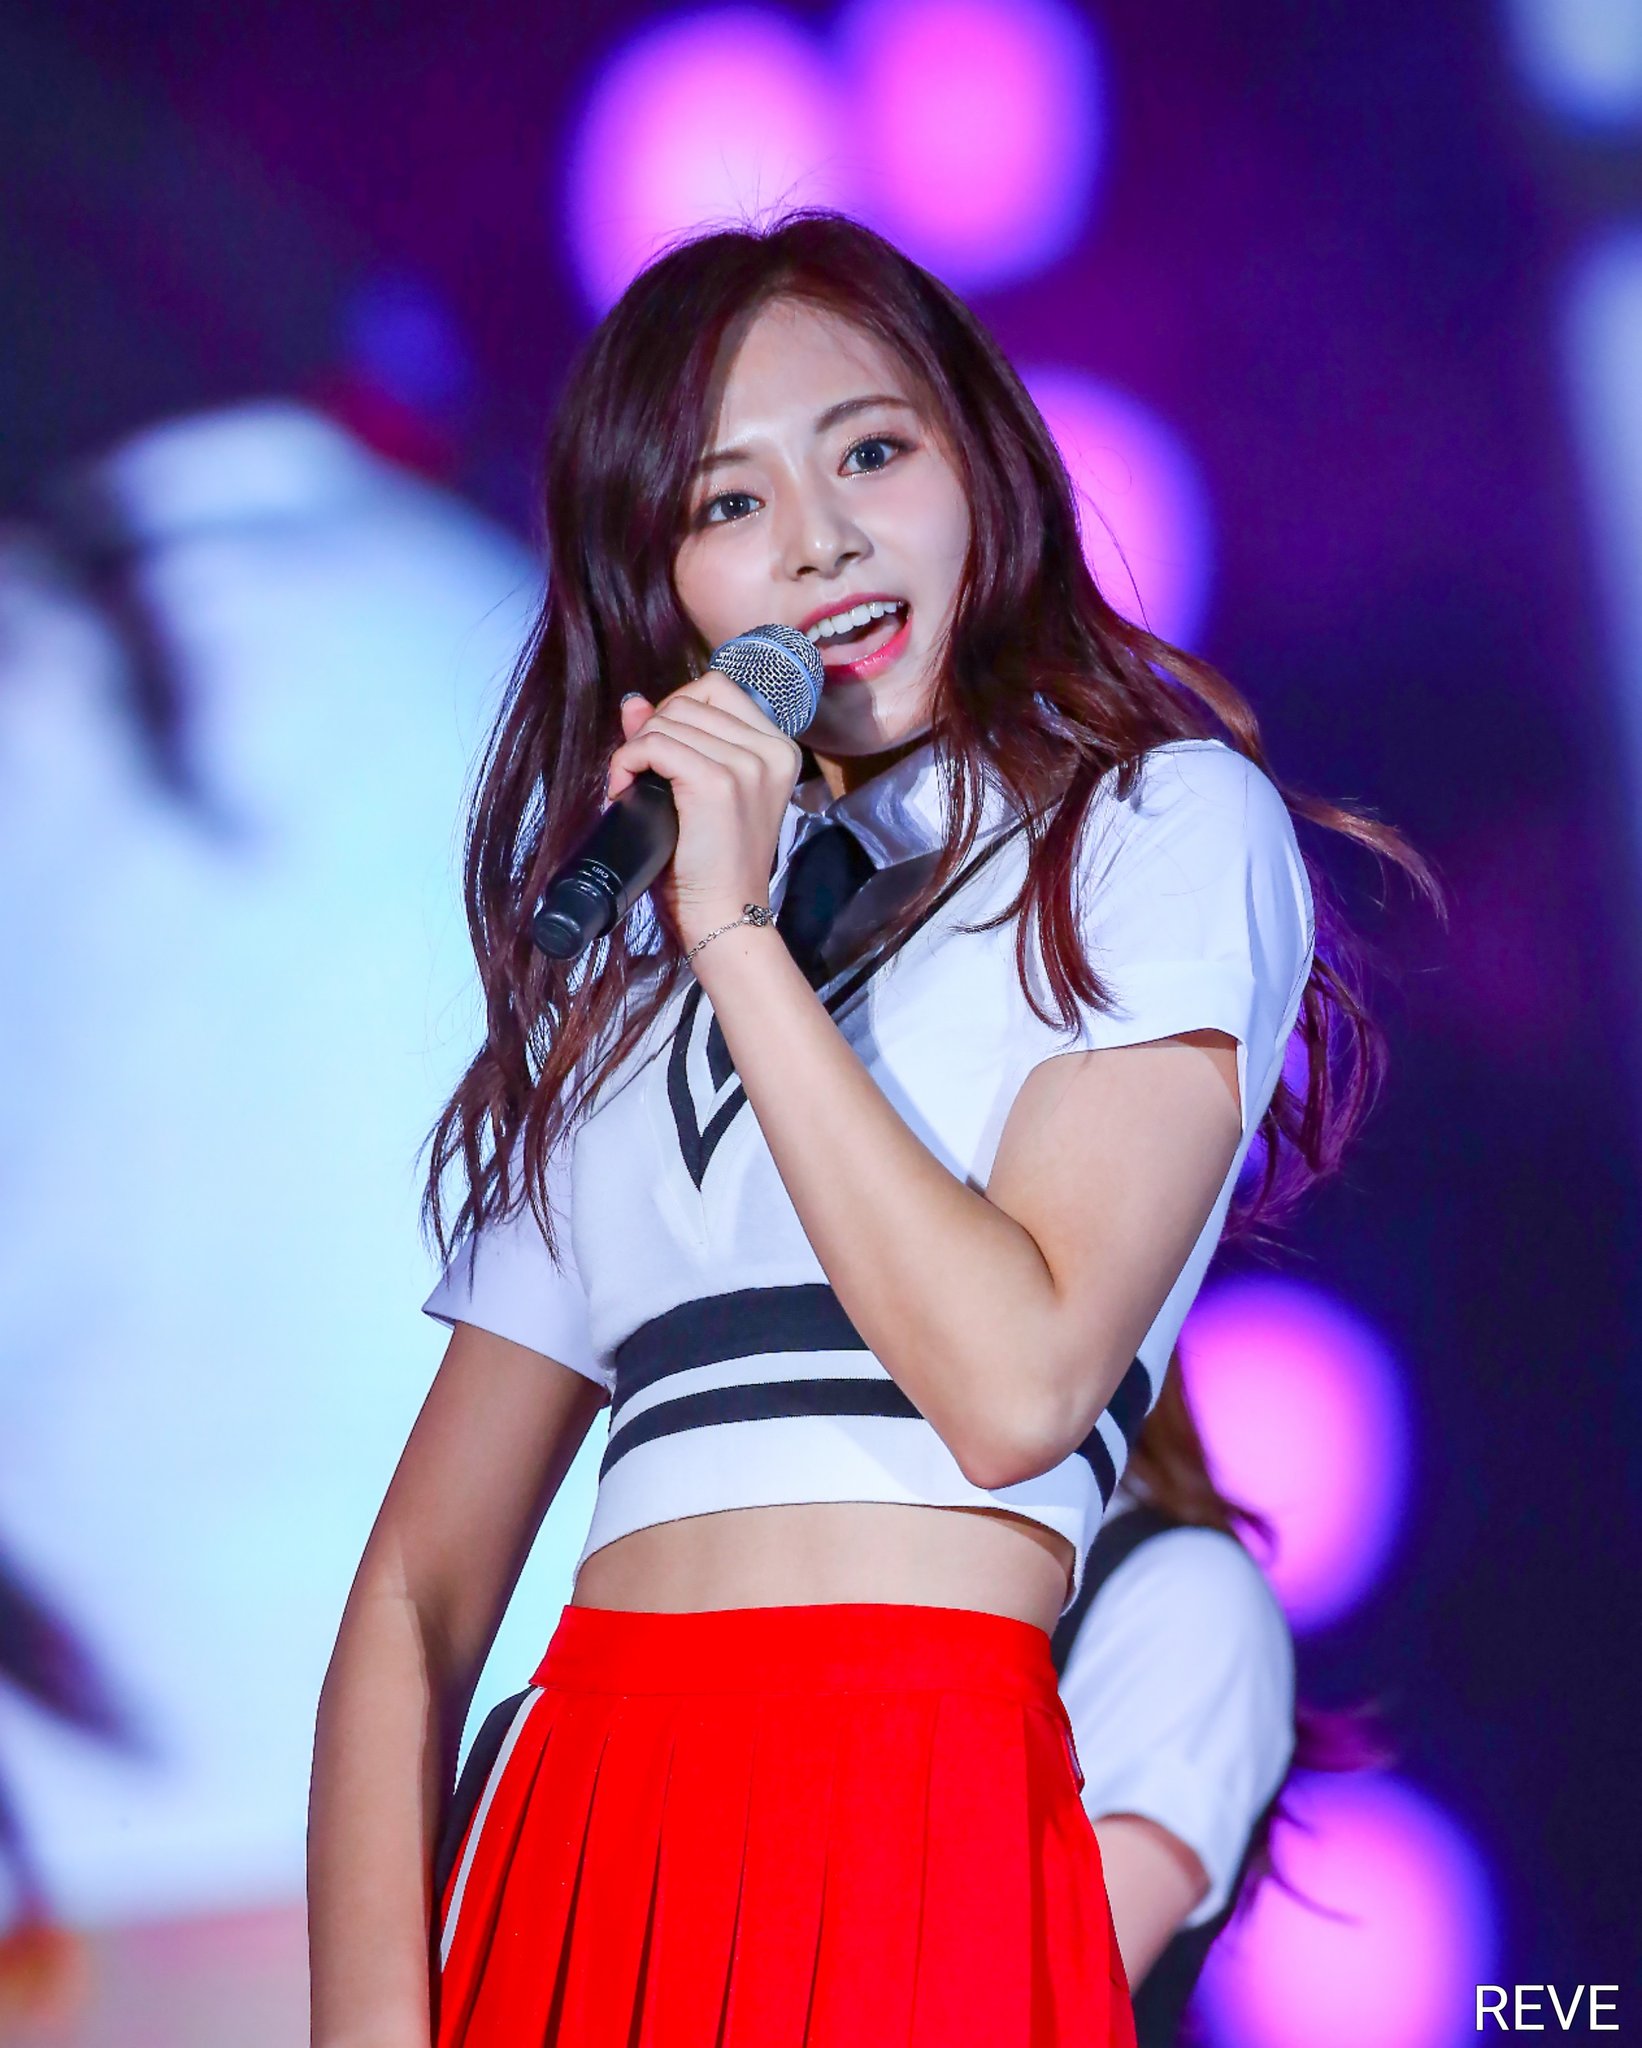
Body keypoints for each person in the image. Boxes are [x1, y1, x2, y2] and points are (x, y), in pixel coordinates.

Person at [308, 211, 1420, 2048]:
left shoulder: (1145, 835)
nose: (819, 539)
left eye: (872, 453)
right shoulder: (634, 977)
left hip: (907, 1818)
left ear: (980, 468)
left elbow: (1014, 1386)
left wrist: (738, 940)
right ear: (661, 585)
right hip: (583, 1849)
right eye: (728, 502)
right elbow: (418, 1594)